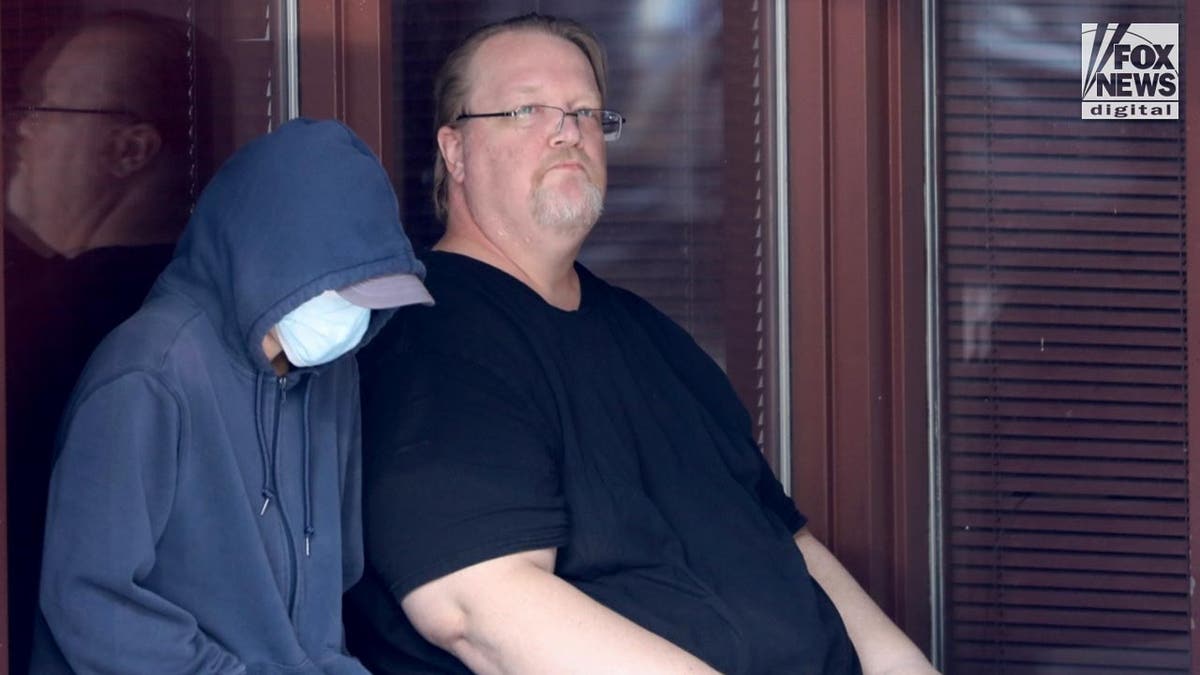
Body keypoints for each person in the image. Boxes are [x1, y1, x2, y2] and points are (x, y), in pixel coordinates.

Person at [345, 12, 938, 675]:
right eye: (526, 110)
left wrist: (902, 664)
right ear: (455, 151)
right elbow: (476, 607)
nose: (568, 131)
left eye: (586, 112)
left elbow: (788, 543)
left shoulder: (648, 334)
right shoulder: (429, 337)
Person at [34, 118, 432, 673]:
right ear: (267, 260)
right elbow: (91, 601)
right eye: (339, 292)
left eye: (369, 298)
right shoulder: (149, 373)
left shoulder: (329, 370)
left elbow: (332, 582)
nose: (351, 318)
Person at [3, 11, 206, 669]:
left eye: (45, 107)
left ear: (129, 149)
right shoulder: (216, 308)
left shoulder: (42, 329)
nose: (19, 128)